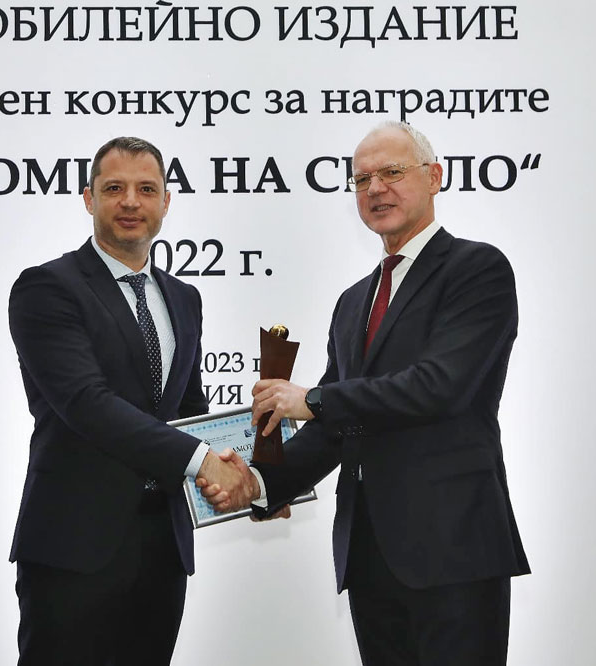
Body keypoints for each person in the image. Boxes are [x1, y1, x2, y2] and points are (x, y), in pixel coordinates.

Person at [201, 121, 530, 665]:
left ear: (435, 177)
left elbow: (439, 387)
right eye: (361, 179)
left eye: (392, 172)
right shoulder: (354, 302)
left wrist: (313, 400)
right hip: (370, 554)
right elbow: (336, 430)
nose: (376, 188)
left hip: (454, 551)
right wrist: (259, 484)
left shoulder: (477, 269)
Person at [8, 136, 249, 666]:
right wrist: (204, 462)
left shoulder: (184, 298)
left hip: (163, 549)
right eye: (114, 188)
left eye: (147, 189)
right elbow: (86, 403)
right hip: (73, 548)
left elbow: (189, 412)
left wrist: (255, 483)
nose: (131, 202)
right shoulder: (47, 288)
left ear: (166, 201)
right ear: (89, 198)